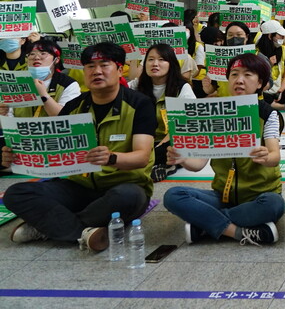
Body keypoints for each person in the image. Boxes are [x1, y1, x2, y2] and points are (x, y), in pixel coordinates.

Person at [4, 42, 156, 252]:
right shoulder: (74, 106)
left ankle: (50, 227)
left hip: (123, 185)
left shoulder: (139, 104)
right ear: (84, 71)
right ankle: (84, 232)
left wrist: (111, 158)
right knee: (16, 193)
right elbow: (53, 150)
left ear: (120, 69)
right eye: (90, 66)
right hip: (79, 187)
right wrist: (16, 154)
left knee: (128, 197)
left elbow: (141, 157)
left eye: (105, 65)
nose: (97, 71)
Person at [164, 53, 284, 246]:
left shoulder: (268, 114)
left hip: (259, 195)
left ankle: (204, 225)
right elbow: (198, 164)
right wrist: (182, 159)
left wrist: (266, 156)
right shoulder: (214, 112)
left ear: (260, 83)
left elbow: (275, 156)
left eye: (248, 75)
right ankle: (236, 231)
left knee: (273, 205)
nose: (240, 80)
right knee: (173, 196)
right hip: (223, 195)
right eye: (234, 74)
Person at [128, 43, 195, 181]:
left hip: (168, 140)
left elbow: (186, 124)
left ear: (171, 64)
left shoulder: (182, 88)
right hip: (142, 140)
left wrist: (159, 146)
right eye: (150, 59)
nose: (155, 64)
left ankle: (151, 162)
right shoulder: (137, 85)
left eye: (162, 59)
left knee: (178, 146)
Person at [0, 38, 80, 118]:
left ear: (56, 60)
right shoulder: (16, 82)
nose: (36, 57)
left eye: (43, 53)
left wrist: (43, 95)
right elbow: (9, 117)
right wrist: (4, 113)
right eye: (32, 54)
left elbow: (67, 117)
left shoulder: (68, 84)